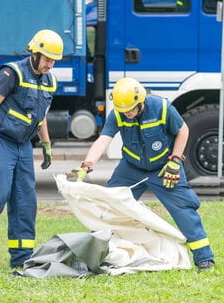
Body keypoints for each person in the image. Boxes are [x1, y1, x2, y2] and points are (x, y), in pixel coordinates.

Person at [67, 77, 215, 272]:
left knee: (184, 209)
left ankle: (204, 258)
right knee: (109, 207)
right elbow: (103, 139)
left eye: (131, 109)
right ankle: (93, 255)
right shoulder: (118, 113)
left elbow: (183, 130)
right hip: (131, 169)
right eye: (123, 110)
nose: (127, 113)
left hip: (164, 168)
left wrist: (175, 160)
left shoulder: (162, 108)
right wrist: (86, 166)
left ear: (141, 102)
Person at [0, 29, 63, 271]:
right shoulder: (11, 73)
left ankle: (22, 257)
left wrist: (46, 144)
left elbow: (40, 117)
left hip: (23, 145)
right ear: (35, 53)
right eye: (47, 59)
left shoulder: (50, 81)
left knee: (25, 200)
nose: (50, 65)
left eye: (54, 61)